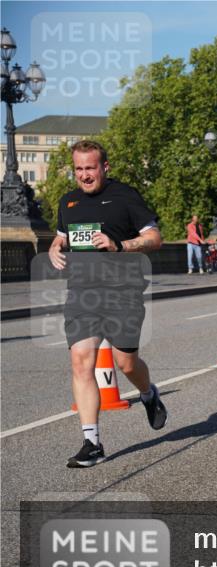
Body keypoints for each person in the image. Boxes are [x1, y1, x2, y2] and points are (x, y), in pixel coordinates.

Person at [48, 140, 168, 468]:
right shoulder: (68, 201)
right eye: (79, 169)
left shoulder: (126, 196)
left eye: (91, 168)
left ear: (105, 167)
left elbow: (155, 238)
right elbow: (62, 235)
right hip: (83, 294)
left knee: (126, 364)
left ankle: (148, 394)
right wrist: (55, 247)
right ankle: (92, 442)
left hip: (123, 293)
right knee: (80, 361)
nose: (85, 175)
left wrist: (120, 245)